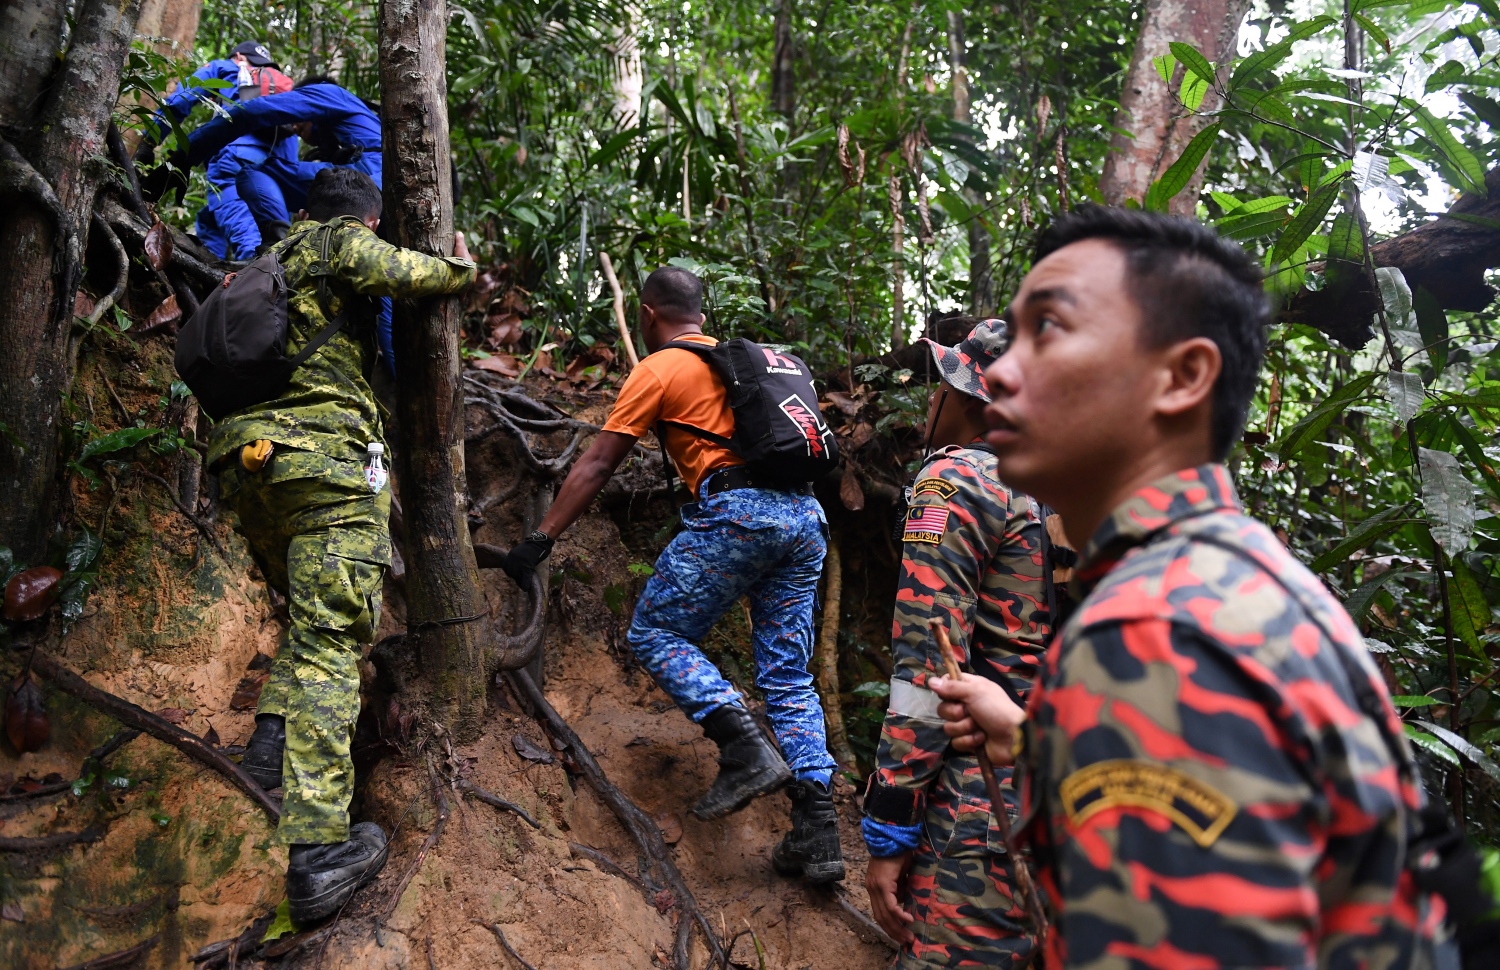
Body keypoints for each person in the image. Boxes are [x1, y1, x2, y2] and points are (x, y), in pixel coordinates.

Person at [925, 205, 1448, 968]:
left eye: (1049, 329)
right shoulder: (1227, 581)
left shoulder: (1148, 638)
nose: (1000, 370)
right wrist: (1035, 740)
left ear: (1182, 376)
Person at [498, 267, 844, 883]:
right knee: (789, 675)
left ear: (649, 313)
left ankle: (743, 748)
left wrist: (539, 539)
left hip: (740, 513)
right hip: (806, 520)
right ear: (702, 316)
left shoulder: (660, 367)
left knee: (657, 632)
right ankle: (818, 832)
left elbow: (598, 463)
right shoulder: (755, 366)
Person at [218, 168, 476, 923]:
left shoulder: (267, 260)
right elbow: (407, 273)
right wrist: (459, 265)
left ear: (302, 208)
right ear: (364, 219)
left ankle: (270, 747)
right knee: (335, 641)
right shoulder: (340, 243)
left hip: (247, 465)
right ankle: (318, 853)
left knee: (310, 615)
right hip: (324, 463)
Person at [861, 318, 1050, 969]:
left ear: (969, 394)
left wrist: (891, 825)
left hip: (982, 805)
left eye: (940, 383)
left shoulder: (960, 479)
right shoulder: (1065, 488)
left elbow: (928, 668)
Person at [139, 41, 294, 259]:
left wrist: (148, 142)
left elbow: (180, 101)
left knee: (247, 233)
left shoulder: (224, 68)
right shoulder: (279, 91)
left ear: (239, 56)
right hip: (279, 169)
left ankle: (255, 281)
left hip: (236, 158)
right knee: (213, 220)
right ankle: (210, 272)